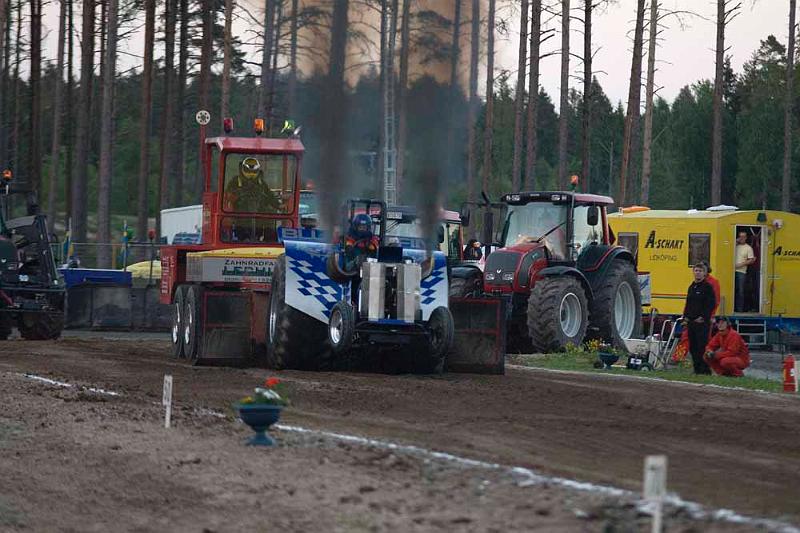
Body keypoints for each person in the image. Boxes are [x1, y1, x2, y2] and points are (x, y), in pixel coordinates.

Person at [682, 263, 716, 374]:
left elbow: (711, 304)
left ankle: (705, 370)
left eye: (700, 271)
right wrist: (685, 318)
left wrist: (703, 317)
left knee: (702, 347)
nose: (698, 273)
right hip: (691, 322)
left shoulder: (708, 287)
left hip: (702, 323)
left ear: (705, 273)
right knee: (693, 347)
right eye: (696, 270)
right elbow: (688, 303)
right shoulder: (691, 287)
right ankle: (697, 369)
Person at [734, 231, 755, 312]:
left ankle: (739, 309)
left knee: (740, 291)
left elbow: (751, 260)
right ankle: (733, 307)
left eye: (743, 237)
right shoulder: (734, 246)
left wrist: (740, 265)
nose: (741, 238)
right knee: (733, 290)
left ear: (746, 238)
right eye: (740, 236)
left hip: (741, 272)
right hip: (731, 271)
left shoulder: (748, 248)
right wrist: (735, 242)